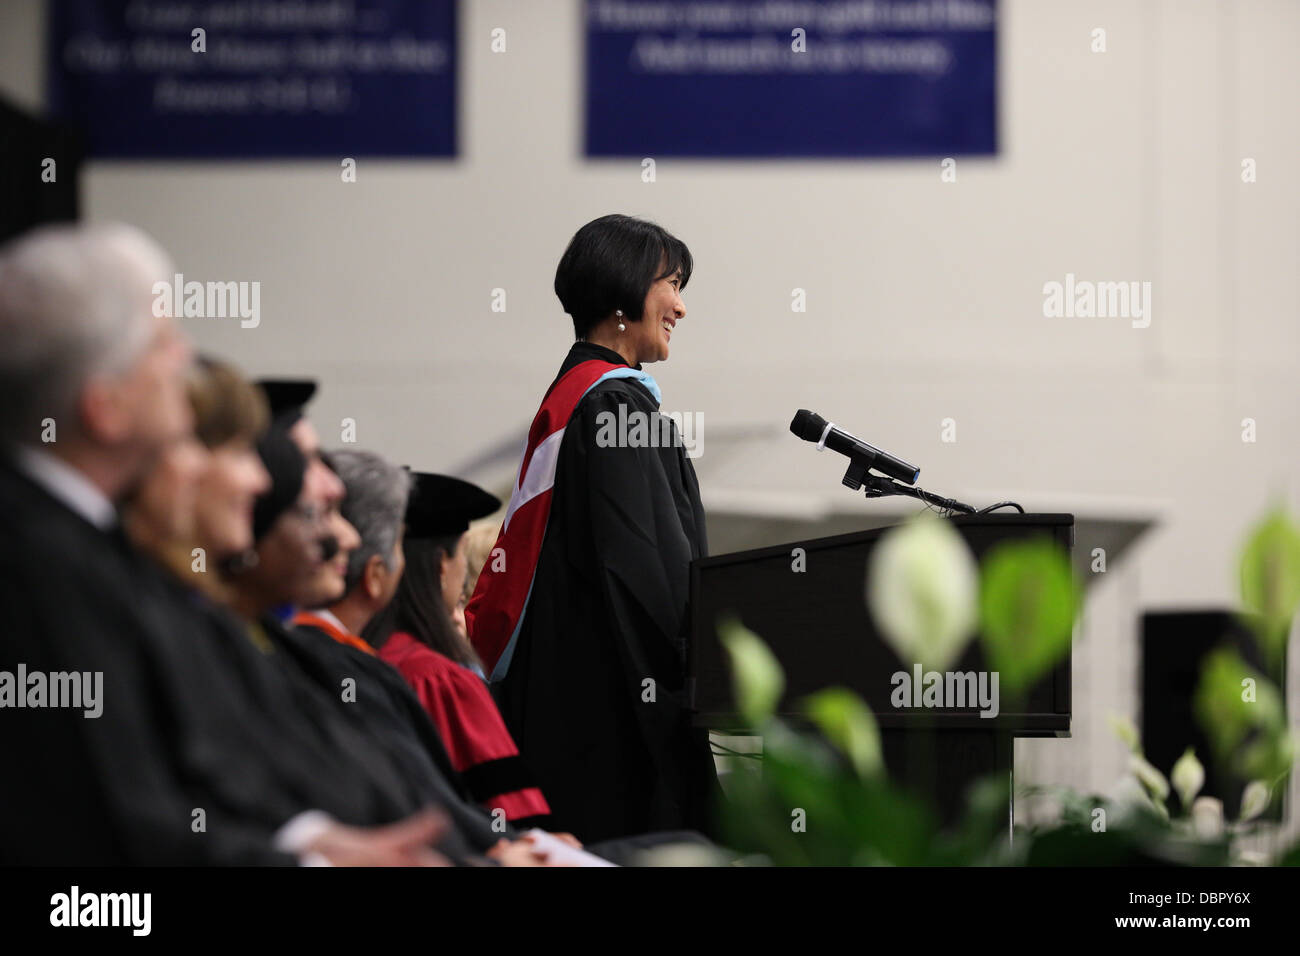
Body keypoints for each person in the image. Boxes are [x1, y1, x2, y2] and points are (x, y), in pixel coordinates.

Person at [0, 223, 444, 865]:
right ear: (106, 408)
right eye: (162, 343)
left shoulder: (87, 550)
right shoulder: (40, 569)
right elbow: (103, 862)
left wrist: (311, 843)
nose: (186, 360)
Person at [466, 213, 720, 842]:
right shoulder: (610, 407)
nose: (682, 308)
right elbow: (648, 578)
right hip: (614, 723)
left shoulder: (582, 399)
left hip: (571, 706)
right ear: (623, 294)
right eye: (672, 285)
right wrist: (698, 674)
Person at [363, 470, 552, 828]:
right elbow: (515, 817)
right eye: (462, 554)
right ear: (440, 566)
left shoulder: (363, 658)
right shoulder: (440, 678)